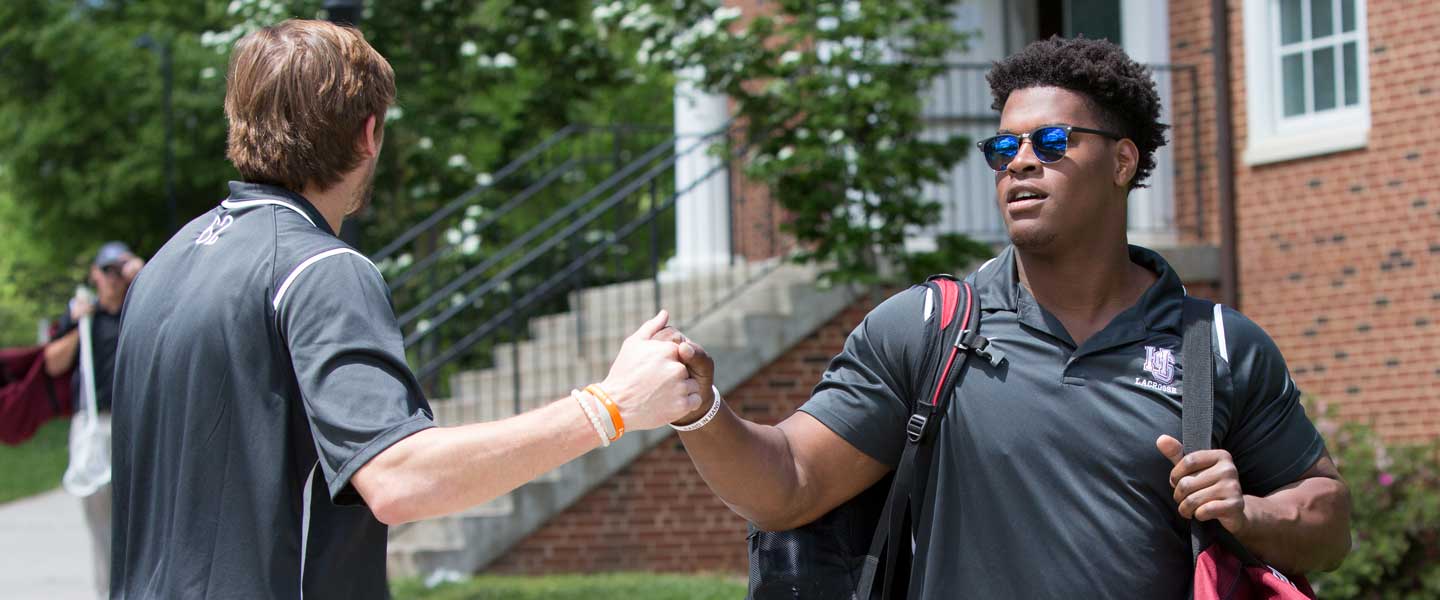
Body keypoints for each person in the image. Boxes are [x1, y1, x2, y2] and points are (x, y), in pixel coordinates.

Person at [660, 37, 1352, 597]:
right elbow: (787, 485)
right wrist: (701, 410)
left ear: (1121, 160)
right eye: (1003, 148)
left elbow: (1329, 520)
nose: (1019, 162)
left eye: (1051, 142)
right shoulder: (927, 329)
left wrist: (1246, 512)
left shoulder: (1217, 346)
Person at [109, 20, 701, 599]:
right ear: (369, 135)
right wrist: (611, 406)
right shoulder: (319, 270)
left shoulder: (163, 266)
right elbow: (398, 477)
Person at [41, 240, 143, 598]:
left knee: (141, 518)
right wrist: (79, 322)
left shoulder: (141, 310)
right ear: (95, 275)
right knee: (102, 525)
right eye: (108, 271)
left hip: (136, 423)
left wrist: (142, 275)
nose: (115, 279)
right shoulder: (83, 317)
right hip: (94, 425)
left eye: (121, 270)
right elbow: (52, 362)